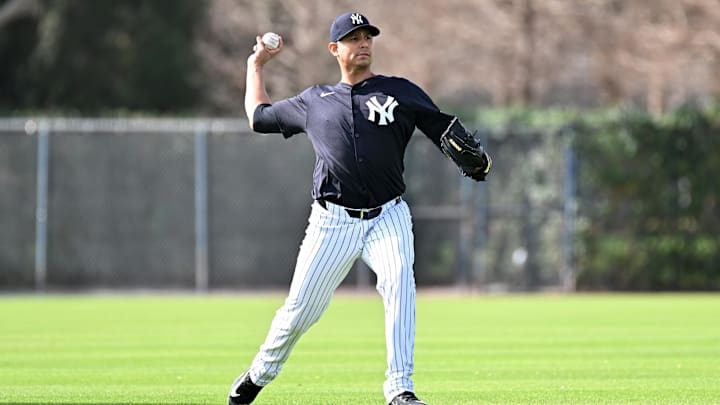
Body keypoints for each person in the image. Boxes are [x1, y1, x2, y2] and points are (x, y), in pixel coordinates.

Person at [228, 11, 490, 405]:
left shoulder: (399, 92)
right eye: (353, 38)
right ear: (335, 49)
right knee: (299, 312)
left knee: (400, 283)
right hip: (332, 222)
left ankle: (400, 389)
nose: (363, 42)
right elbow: (258, 117)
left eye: (368, 36)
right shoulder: (314, 101)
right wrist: (255, 66)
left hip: (389, 216)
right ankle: (259, 374)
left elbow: (442, 127)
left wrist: (466, 152)